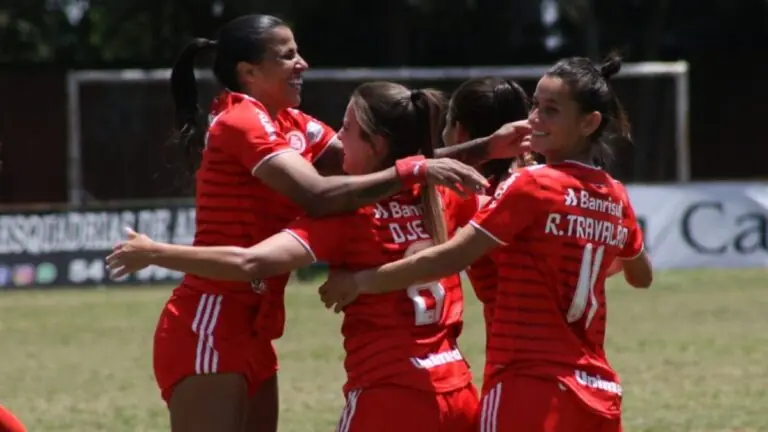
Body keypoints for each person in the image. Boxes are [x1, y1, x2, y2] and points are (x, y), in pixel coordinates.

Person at [155, 13, 528, 432]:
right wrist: (417, 172)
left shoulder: (293, 125)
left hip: (254, 321)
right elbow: (320, 192)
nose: (303, 64)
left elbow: (382, 160)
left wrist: (484, 147)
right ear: (249, 72)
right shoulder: (241, 119)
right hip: (213, 315)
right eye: (288, 55)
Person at [317, 55, 654, 432]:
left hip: (528, 383)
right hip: (598, 389)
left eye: (551, 111)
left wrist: (360, 282)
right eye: (535, 106)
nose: (536, 119)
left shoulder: (530, 186)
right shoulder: (615, 195)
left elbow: (450, 257)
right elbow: (640, 275)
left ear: (589, 122)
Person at [442, 77, 536, 382]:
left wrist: (364, 281)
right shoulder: (543, 184)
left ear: (459, 132)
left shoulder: (476, 201)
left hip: (517, 362)